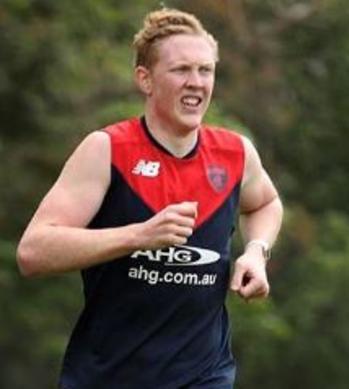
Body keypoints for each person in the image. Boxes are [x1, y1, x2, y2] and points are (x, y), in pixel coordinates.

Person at [16, 7, 283, 389]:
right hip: (107, 375)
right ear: (145, 79)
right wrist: (137, 236)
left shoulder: (235, 153)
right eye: (181, 70)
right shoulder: (107, 150)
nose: (196, 82)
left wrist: (256, 251)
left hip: (204, 374)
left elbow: (265, 203)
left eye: (205, 70)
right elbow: (33, 252)